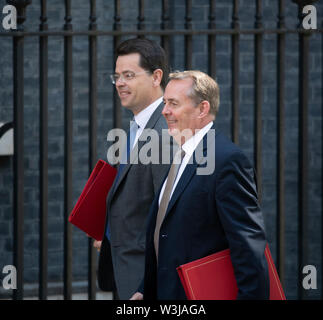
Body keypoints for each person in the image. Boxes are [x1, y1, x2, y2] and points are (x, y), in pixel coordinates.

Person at [133, 70, 269, 300]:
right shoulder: (180, 156)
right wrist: (145, 289)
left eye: (173, 103)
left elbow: (248, 248)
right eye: (164, 102)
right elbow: (168, 235)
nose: (165, 111)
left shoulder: (227, 161)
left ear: (203, 109)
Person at [95, 38, 172, 300]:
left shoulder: (164, 133)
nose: (120, 83)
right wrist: (109, 235)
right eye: (117, 76)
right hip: (124, 269)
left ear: (156, 77)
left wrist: (146, 286)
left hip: (144, 282)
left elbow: (169, 221)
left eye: (129, 75)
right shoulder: (138, 125)